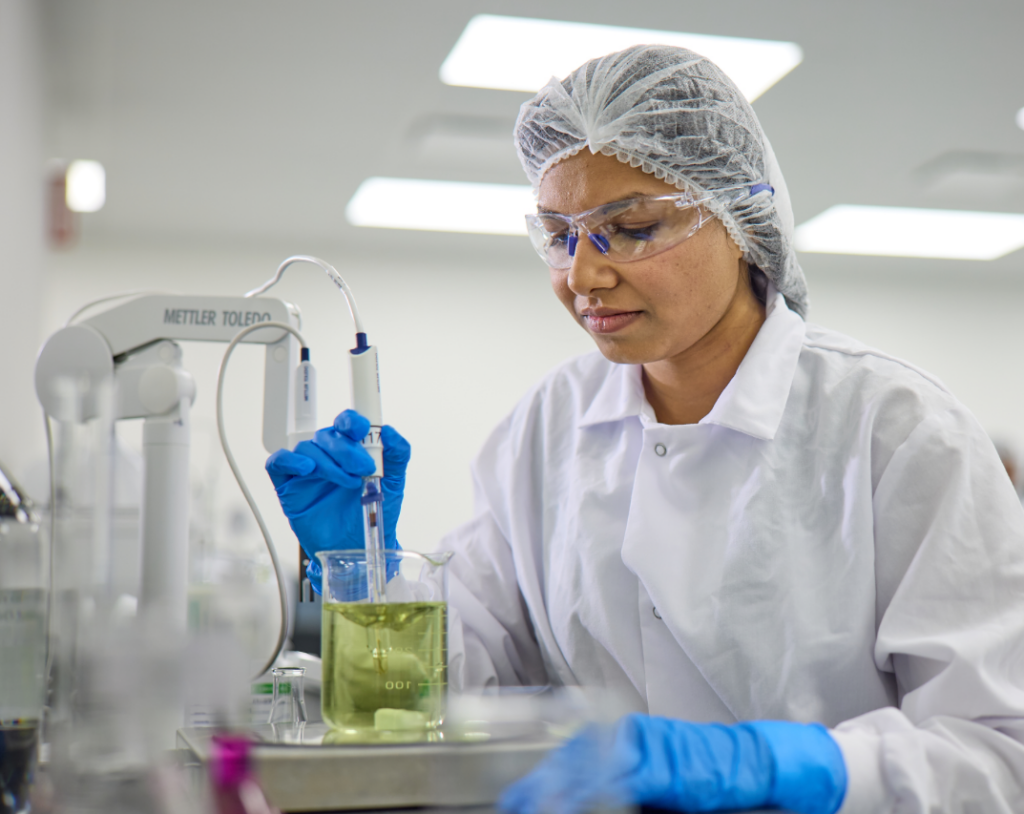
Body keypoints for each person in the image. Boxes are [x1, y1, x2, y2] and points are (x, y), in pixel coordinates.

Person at [266, 46, 1024, 814]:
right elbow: (458, 696)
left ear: (738, 219)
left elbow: (999, 754)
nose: (584, 275)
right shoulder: (543, 431)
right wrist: (365, 579)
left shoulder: (896, 432)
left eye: (629, 228)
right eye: (560, 236)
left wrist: (783, 768)